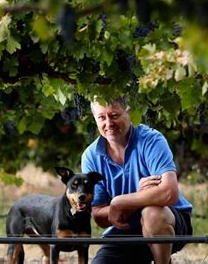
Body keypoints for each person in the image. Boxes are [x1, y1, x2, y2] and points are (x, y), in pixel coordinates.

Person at [81, 97, 193, 264]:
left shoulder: (151, 140)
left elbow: (170, 193)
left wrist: (119, 202)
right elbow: (100, 217)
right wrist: (137, 197)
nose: (108, 123)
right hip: (124, 229)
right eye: (101, 117)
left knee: (152, 213)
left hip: (170, 222)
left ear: (129, 112)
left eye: (114, 115)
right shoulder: (90, 157)